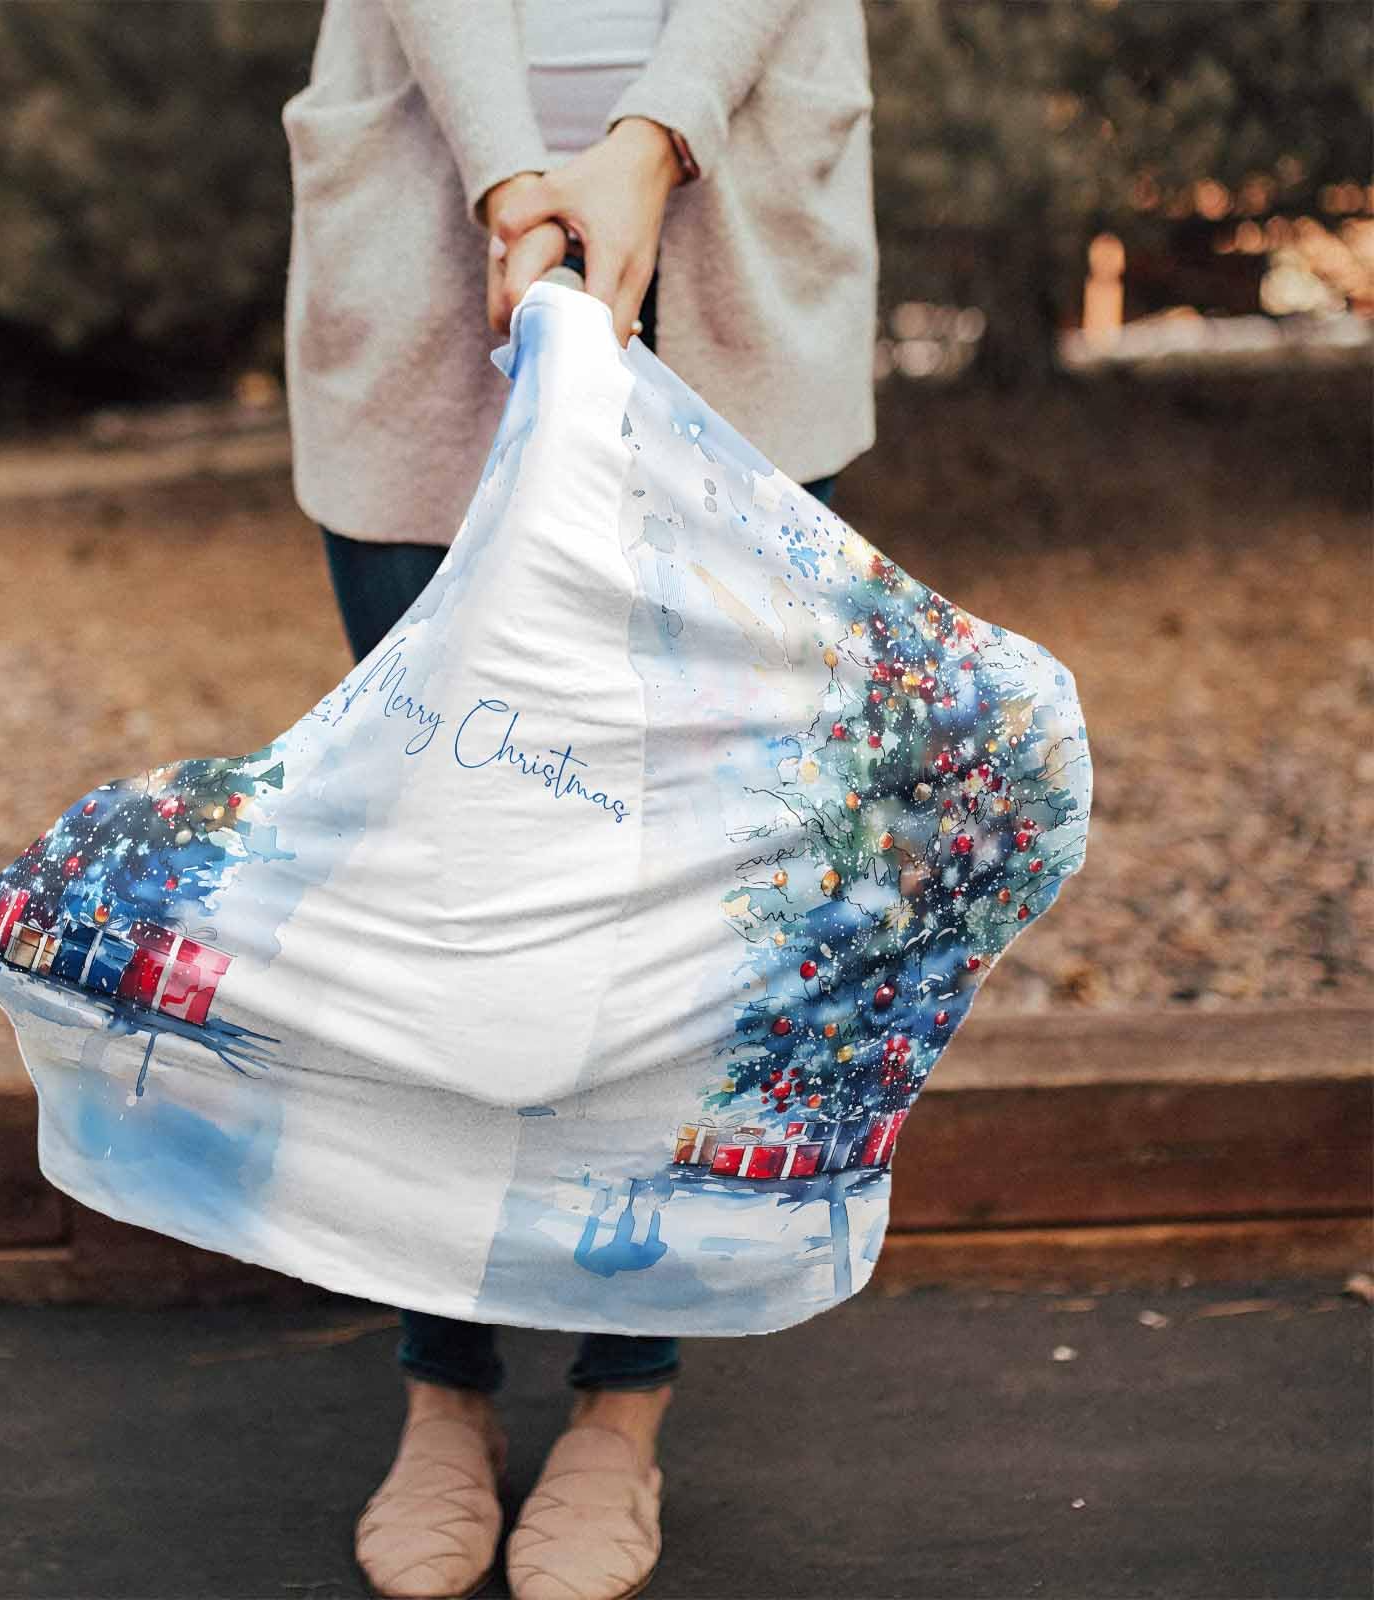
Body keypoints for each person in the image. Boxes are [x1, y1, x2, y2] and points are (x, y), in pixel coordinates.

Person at [279, 3, 877, 1595]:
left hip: (735, 215)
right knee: (439, 866)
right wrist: (508, 178)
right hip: (431, 216)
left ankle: (623, 1404)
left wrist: (650, 137)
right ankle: (443, 1387)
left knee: (690, 878)